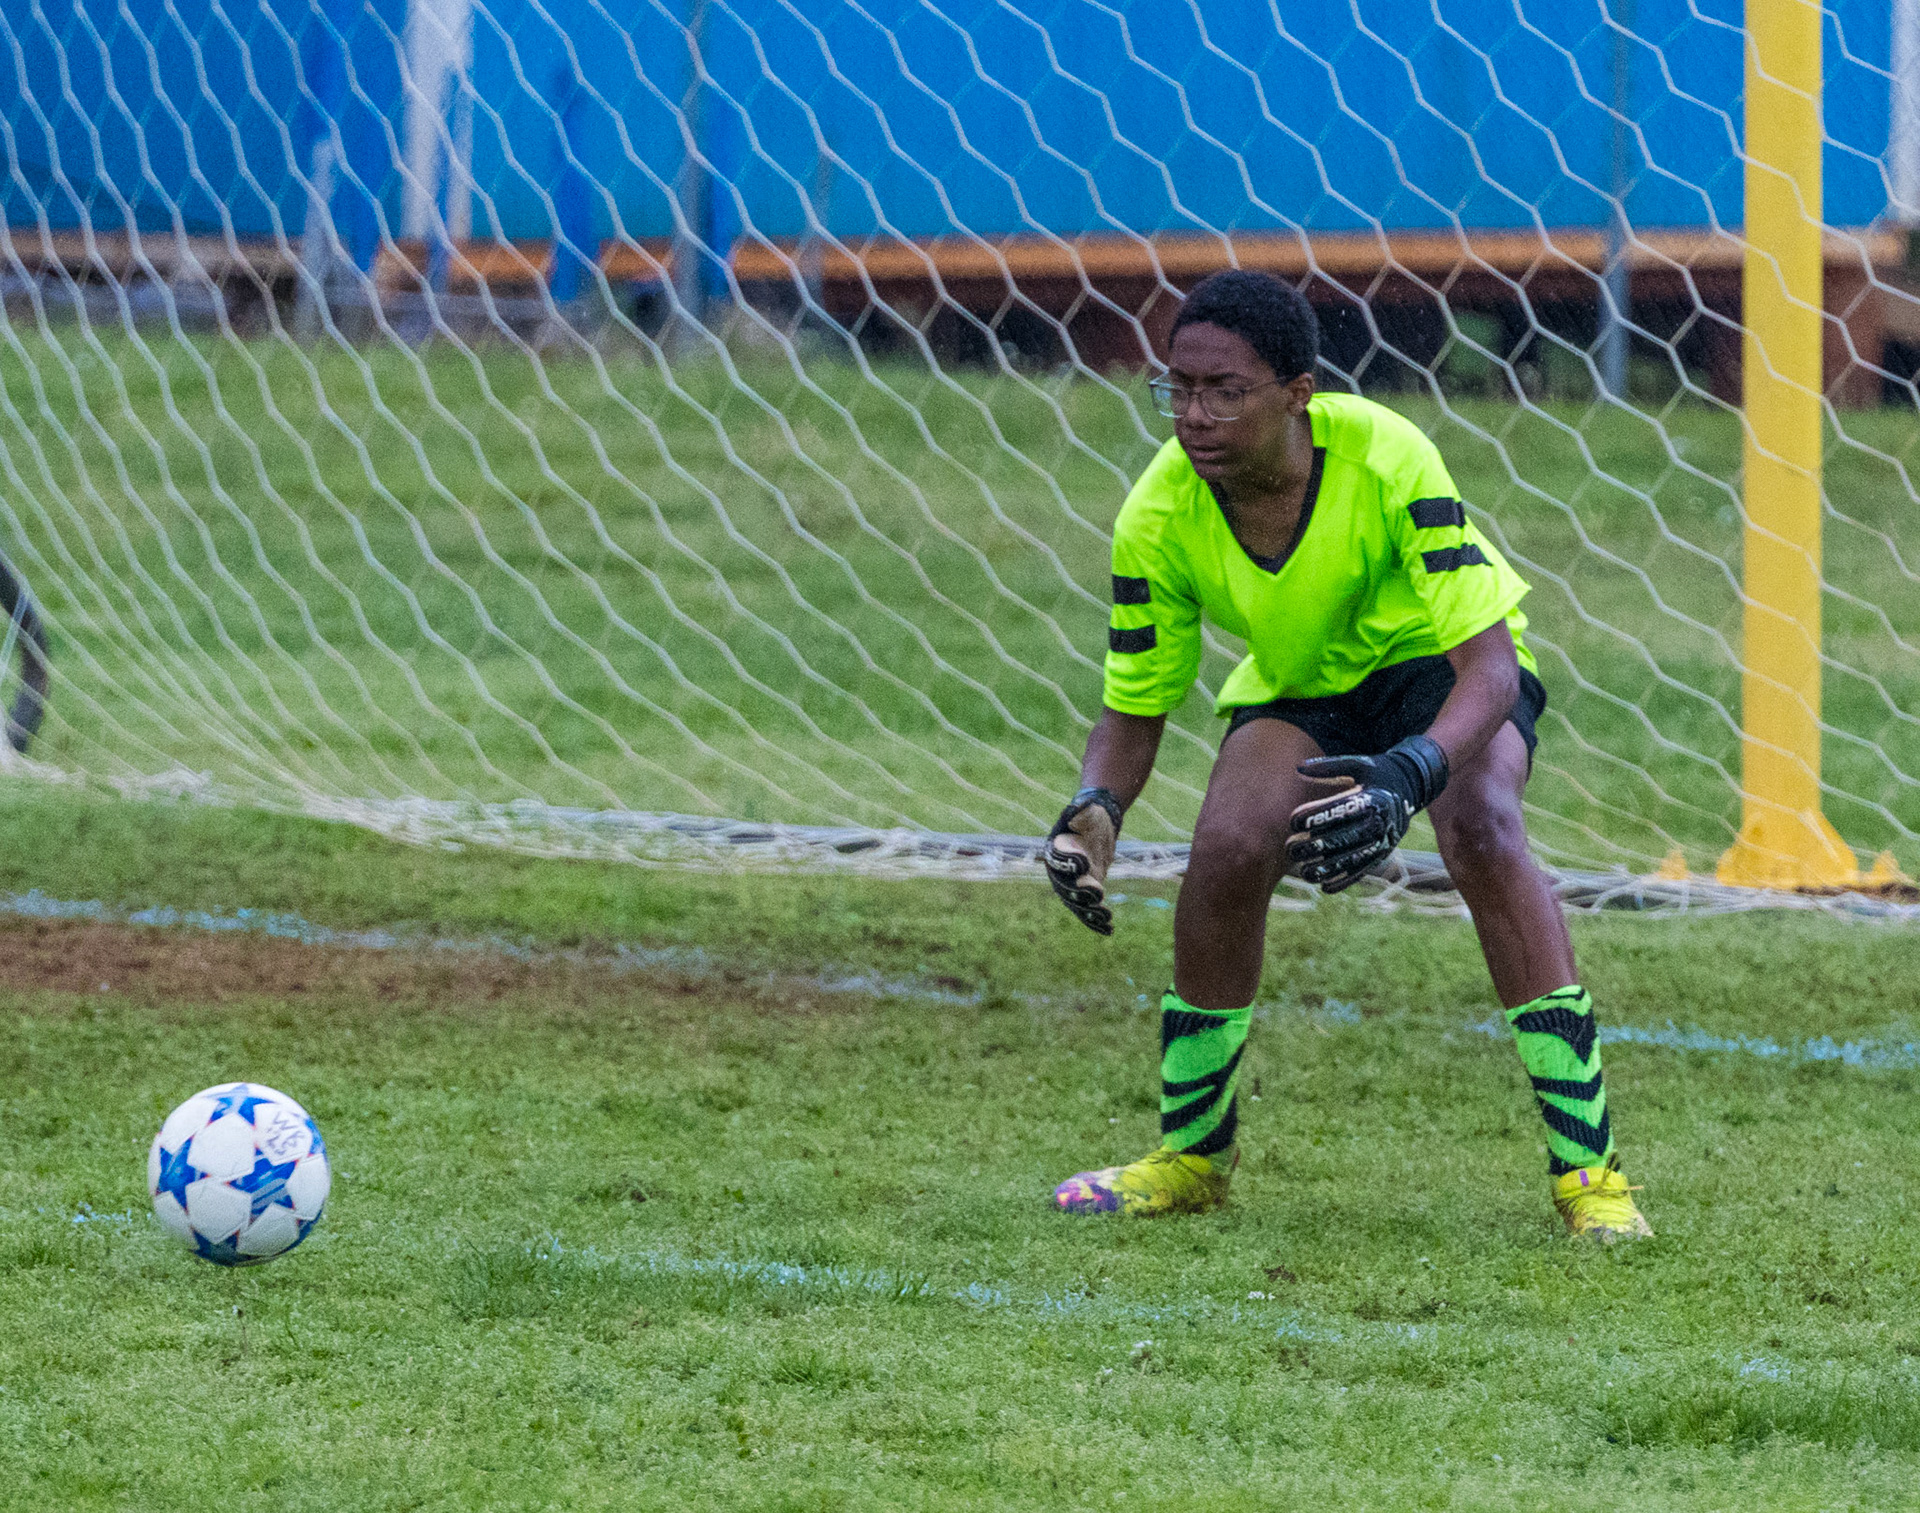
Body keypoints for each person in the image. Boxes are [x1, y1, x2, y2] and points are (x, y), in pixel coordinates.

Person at [1043, 269, 1649, 1242]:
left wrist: (1410, 774)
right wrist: (1094, 809)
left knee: (1481, 825)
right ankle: (1192, 1158)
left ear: (1298, 394)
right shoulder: (1156, 516)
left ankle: (1592, 1177)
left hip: (1438, 670)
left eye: (1224, 391)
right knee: (1227, 845)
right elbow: (1135, 707)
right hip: (1305, 686)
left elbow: (1491, 670)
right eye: (1178, 389)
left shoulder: (1387, 454)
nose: (1193, 415)